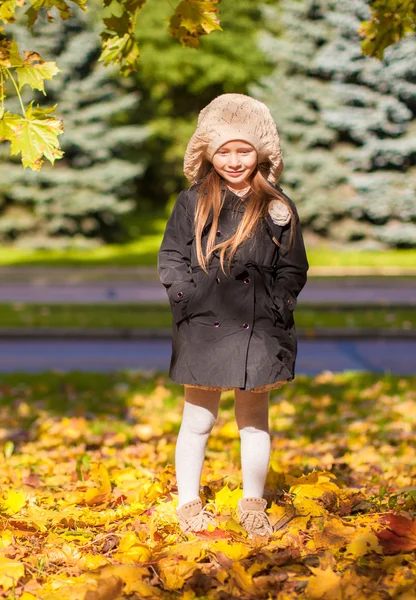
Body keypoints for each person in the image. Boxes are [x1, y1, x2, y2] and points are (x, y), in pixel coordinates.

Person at [157, 93, 309, 538]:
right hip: (204, 324)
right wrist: (189, 296)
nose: (235, 160)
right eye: (224, 151)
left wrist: (279, 304)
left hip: (260, 329)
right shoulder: (193, 201)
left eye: (243, 150)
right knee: (198, 420)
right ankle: (188, 503)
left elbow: (293, 267)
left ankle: (253, 503)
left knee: (254, 420)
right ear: (208, 153)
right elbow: (171, 258)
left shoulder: (278, 205)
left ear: (260, 153)